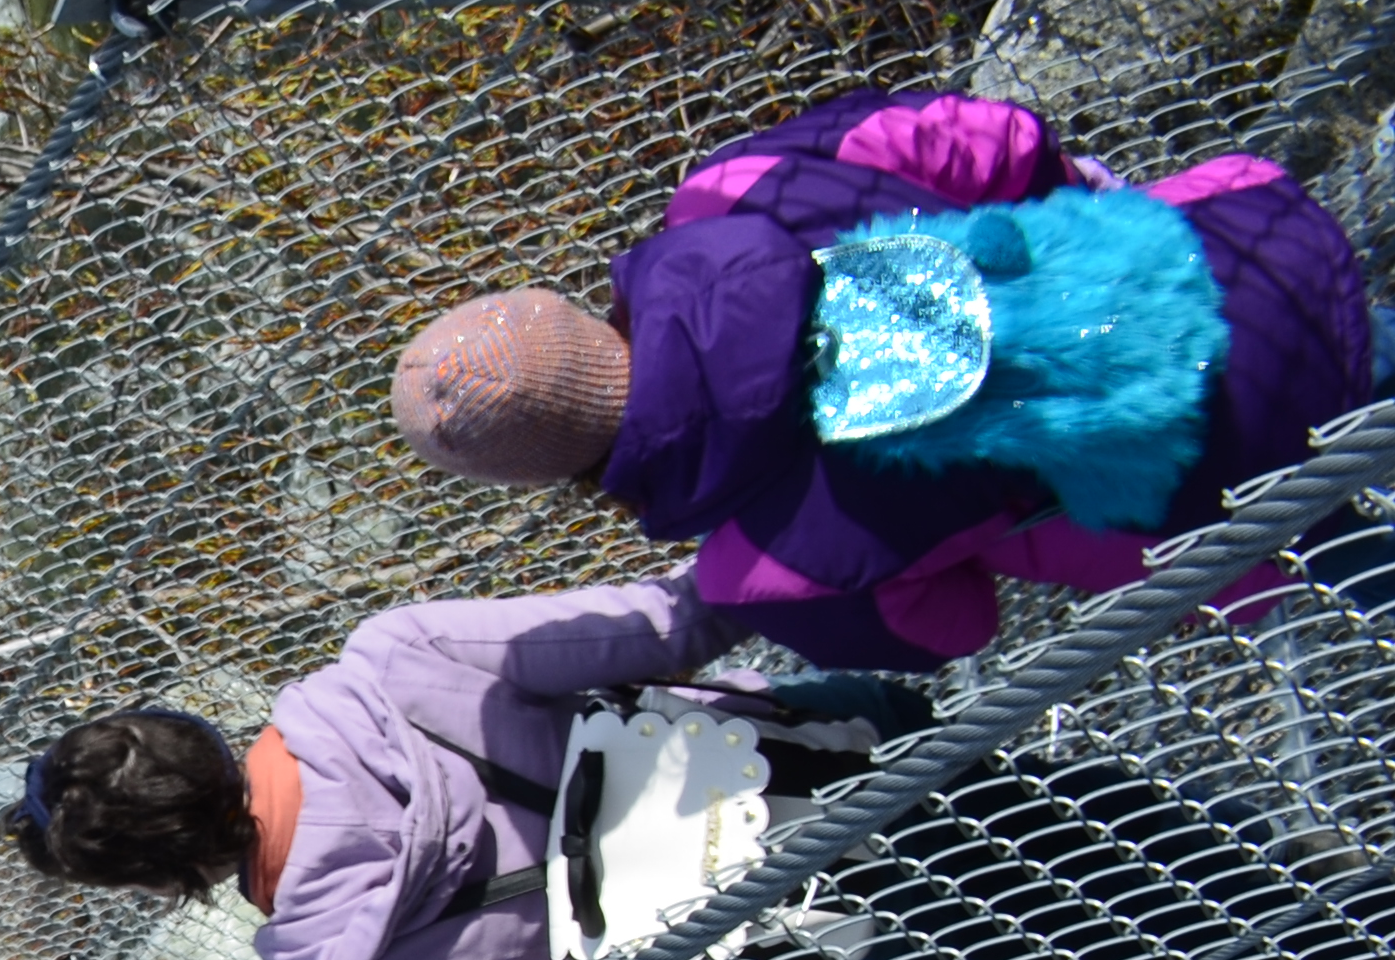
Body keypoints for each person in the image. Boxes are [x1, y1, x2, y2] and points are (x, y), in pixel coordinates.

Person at [388, 90, 1374, 668]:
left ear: (549, 474)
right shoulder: (736, 189)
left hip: (1233, 492)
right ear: (570, 310)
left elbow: (954, 628)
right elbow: (1003, 138)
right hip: (1247, 278)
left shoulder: (764, 564)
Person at [11, 570, 877, 960]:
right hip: (827, 754)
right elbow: (668, 625)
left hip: (825, 943)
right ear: (197, 738)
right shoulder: (395, 659)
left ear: (164, 881)